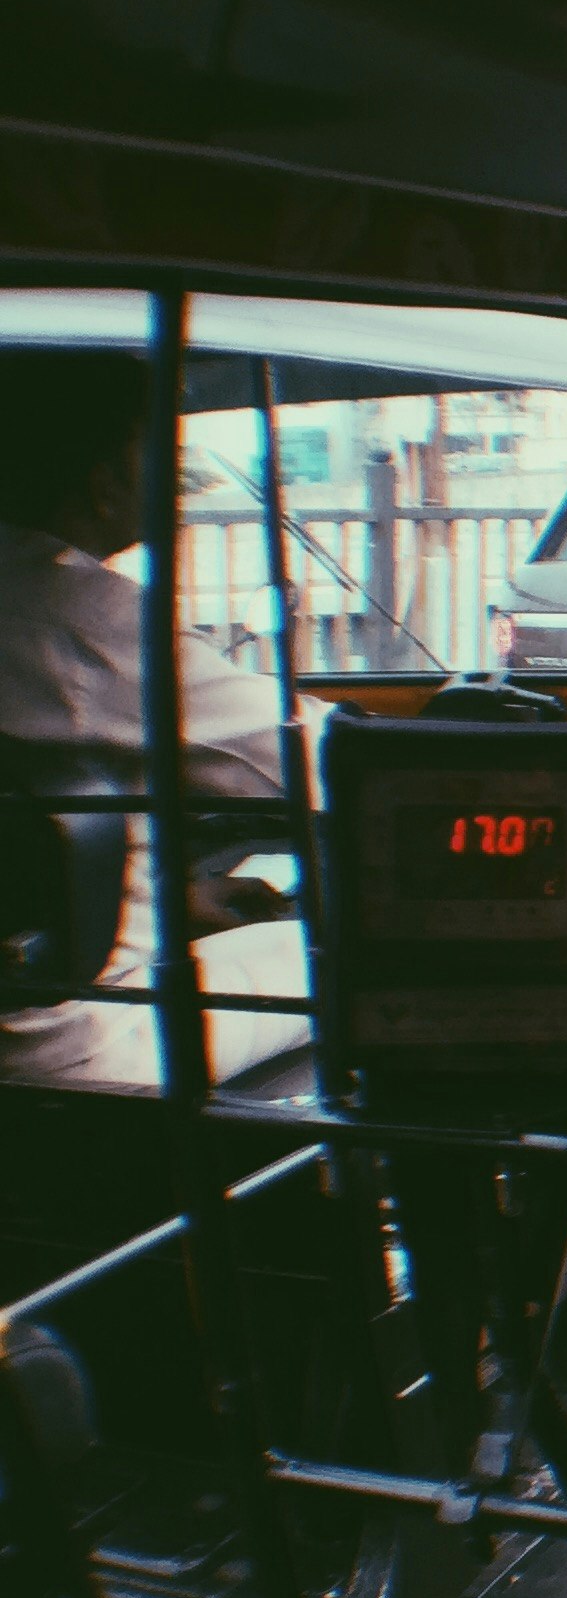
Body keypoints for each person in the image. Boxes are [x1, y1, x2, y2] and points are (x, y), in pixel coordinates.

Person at [0, 349, 307, 1091]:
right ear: (105, 479)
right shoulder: (69, 605)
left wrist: (172, 901)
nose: (178, 473)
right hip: (74, 1034)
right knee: (358, 952)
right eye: (161, 450)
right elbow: (304, 762)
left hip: (37, 985)